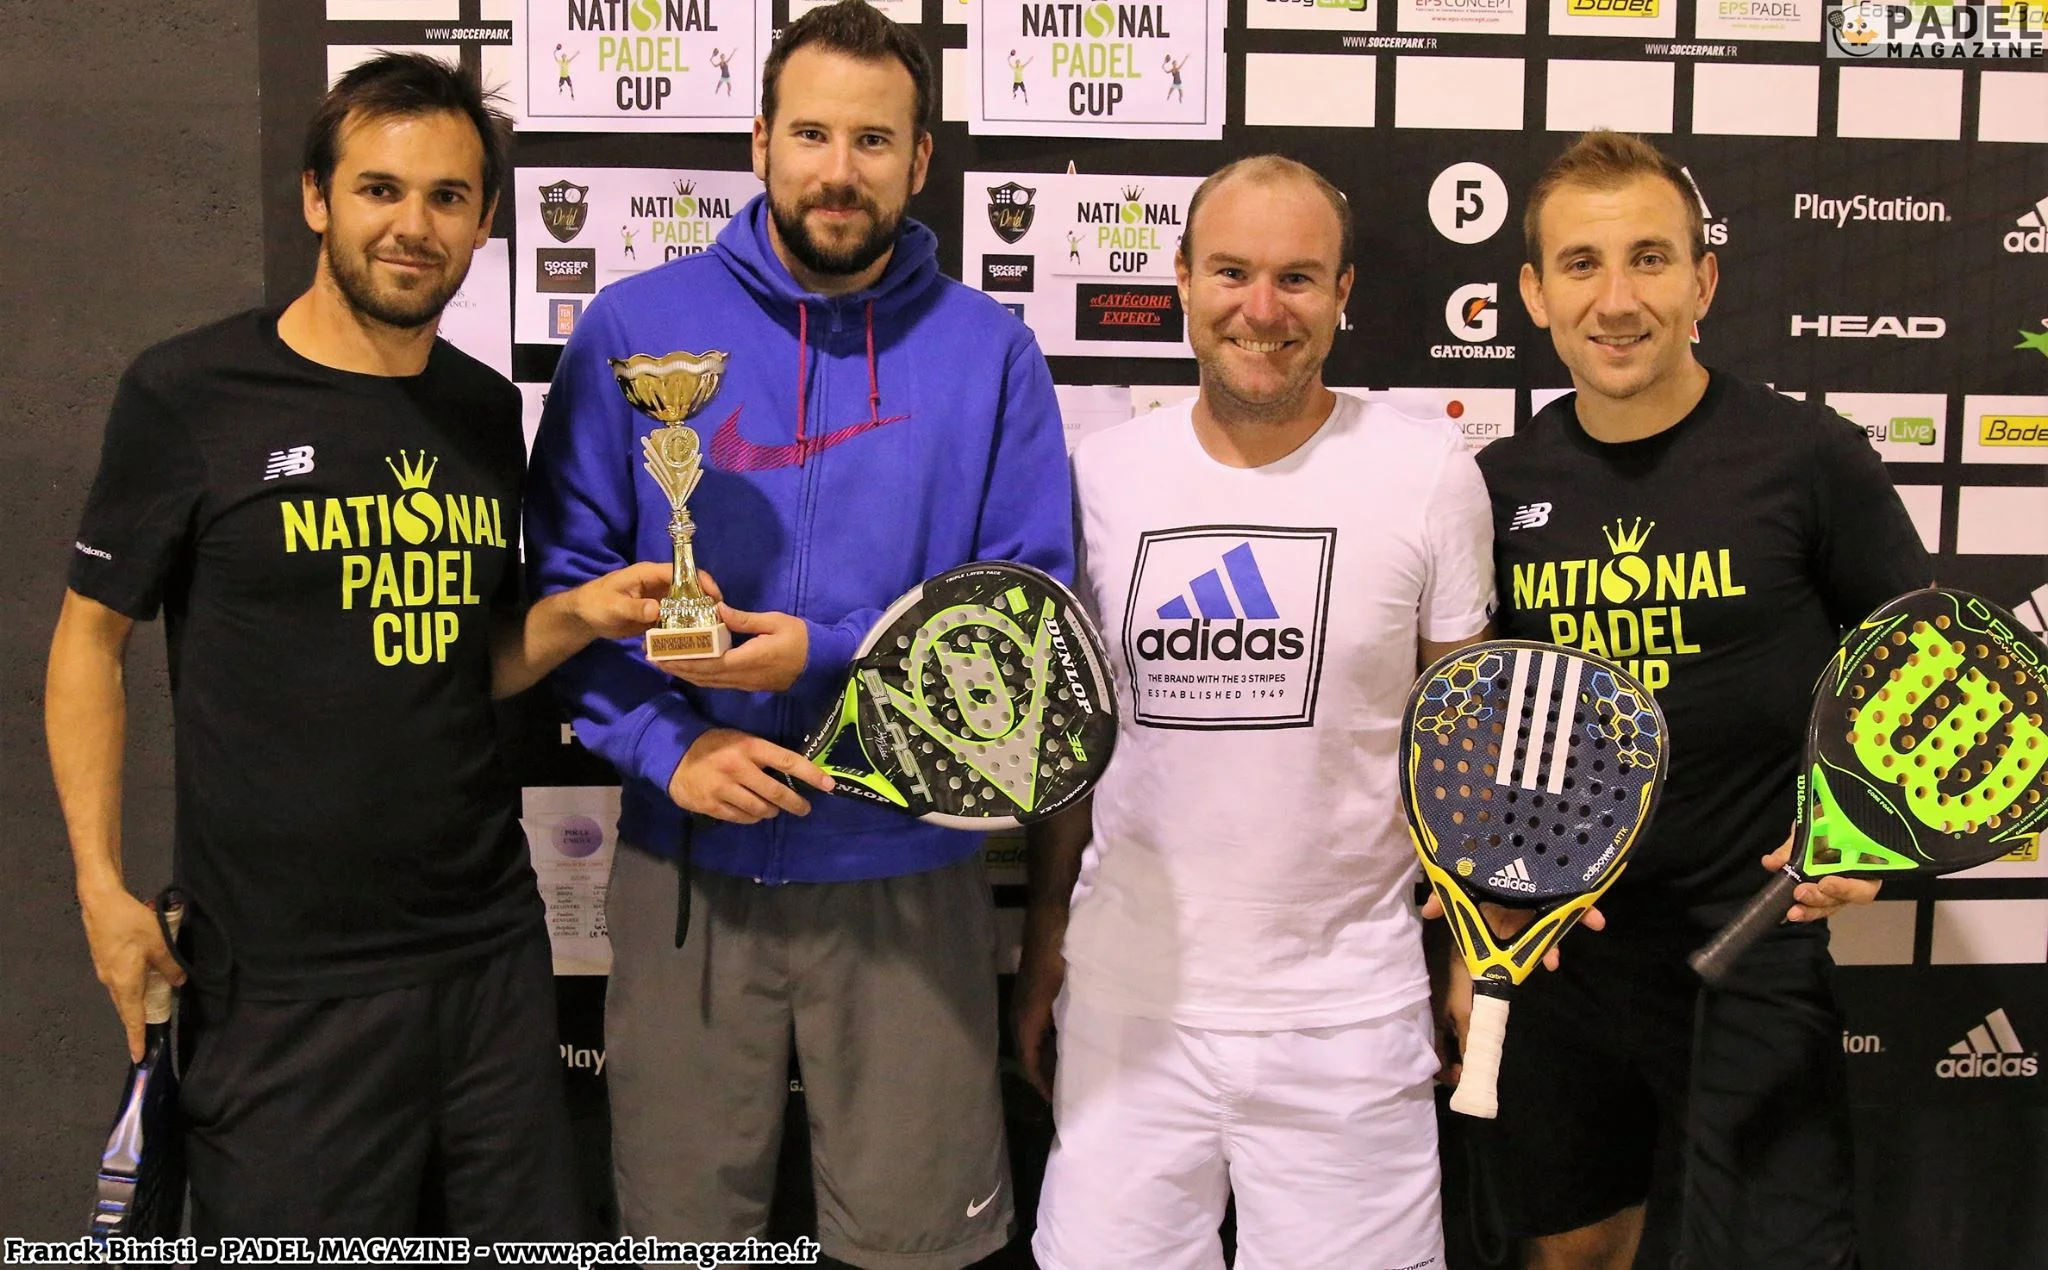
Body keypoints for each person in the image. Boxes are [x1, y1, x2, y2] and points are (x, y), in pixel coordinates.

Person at [45, 53, 669, 1237]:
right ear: (317, 198)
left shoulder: (486, 410)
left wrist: (583, 615)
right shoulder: (189, 393)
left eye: (446, 197)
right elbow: (89, 639)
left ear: (484, 220)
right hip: (283, 983)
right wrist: (96, 883)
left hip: (485, 955)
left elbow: (471, 655)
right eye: (380, 189)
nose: (412, 226)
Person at [521, 3, 1071, 1266]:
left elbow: (1023, 628)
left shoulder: (990, 356)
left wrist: (822, 654)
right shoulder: (632, 328)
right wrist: (671, 750)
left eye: (873, 139)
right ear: (758, 140)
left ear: (920, 159)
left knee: (920, 1243)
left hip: (902, 869)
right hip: (686, 877)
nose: (839, 170)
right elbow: (565, 590)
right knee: (676, 1238)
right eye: (812, 133)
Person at [1016, 155, 1494, 1270]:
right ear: (1180, 278)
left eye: (1296, 278)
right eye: (1230, 271)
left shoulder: (1426, 473)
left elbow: (1460, 740)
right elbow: (1072, 756)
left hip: (1350, 1023)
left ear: (1342, 293)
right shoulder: (1101, 476)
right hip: (1129, 1010)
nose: (1261, 309)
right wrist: (1045, 941)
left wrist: (1469, 954)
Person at [1462, 128, 1927, 1270]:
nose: (1615, 300)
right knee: (1572, 1253)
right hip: (1567, 956)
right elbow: (1458, 721)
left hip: (1753, 947)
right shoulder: (1491, 487)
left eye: (1649, 259)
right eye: (1579, 264)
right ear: (1530, 292)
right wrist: (1474, 918)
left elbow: (1929, 684)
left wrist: (1879, 844)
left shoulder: (1806, 456)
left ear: (1701, 280)